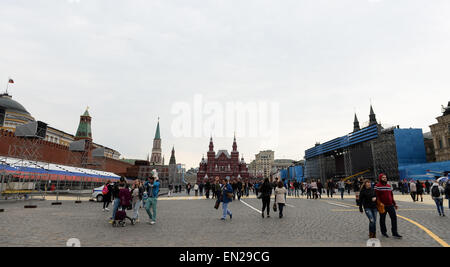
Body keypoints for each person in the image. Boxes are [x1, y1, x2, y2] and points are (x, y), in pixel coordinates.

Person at [375, 173, 402, 239]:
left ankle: (395, 233)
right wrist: (379, 204)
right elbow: (376, 196)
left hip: (390, 205)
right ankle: (384, 232)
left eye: (385, 177)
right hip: (382, 206)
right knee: (382, 219)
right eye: (383, 177)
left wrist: (394, 204)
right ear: (380, 178)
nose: (385, 178)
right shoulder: (377, 186)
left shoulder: (389, 186)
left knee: (394, 218)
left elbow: (391, 196)